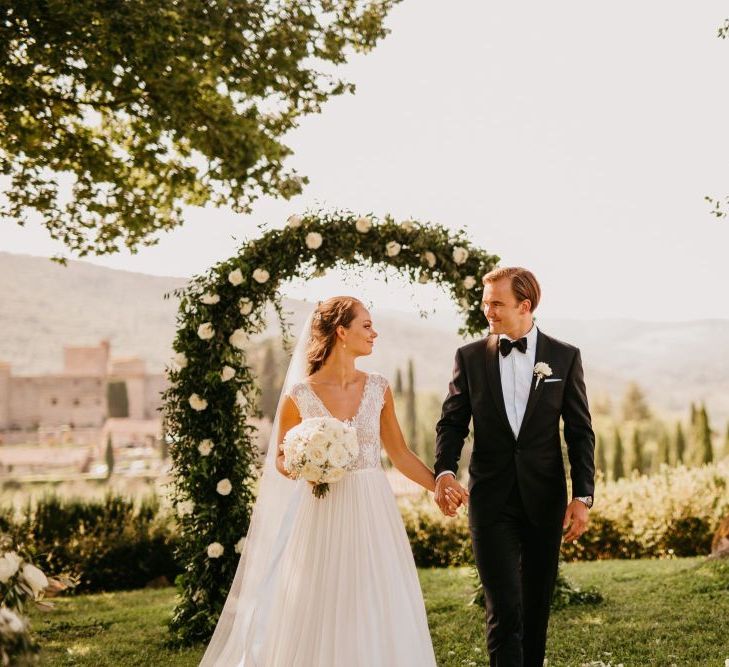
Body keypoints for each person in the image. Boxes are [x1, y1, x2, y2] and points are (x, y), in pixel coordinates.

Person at [199, 296, 448, 666]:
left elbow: (400, 454)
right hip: (319, 510)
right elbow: (281, 459)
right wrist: (304, 462)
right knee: (320, 596)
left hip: (371, 509)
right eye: (366, 325)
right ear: (341, 332)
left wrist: (439, 485)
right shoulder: (300, 395)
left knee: (373, 594)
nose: (374, 333)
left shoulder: (378, 388)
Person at [434, 267, 595, 667]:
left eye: (496, 303)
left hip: (545, 501)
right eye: (485, 301)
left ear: (525, 305)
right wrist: (445, 471)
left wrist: (582, 497)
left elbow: (580, 432)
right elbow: (453, 422)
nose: (487, 310)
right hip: (491, 502)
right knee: (504, 608)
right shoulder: (469, 357)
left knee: (536, 608)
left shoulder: (564, 357)